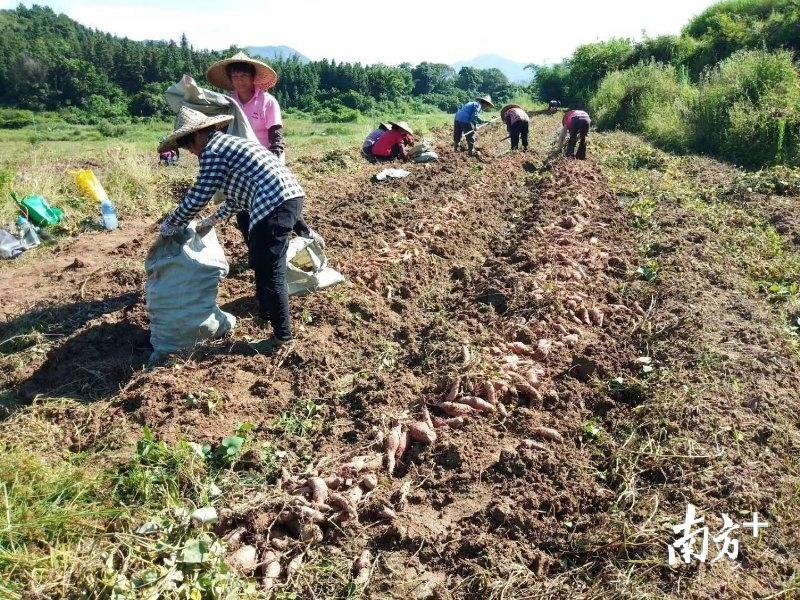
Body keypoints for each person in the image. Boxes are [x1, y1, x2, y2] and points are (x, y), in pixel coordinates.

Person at [158, 107, 309, 348]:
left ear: (198, 136)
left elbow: (199, 195)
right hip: (286, 196)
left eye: (189, 146)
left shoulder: (213, 151)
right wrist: (210, 222)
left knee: (271, 269)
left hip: (274, 201)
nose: (191, 152)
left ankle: (283, 337)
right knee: (261, 261)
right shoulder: (228, 145)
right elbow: (237, 197)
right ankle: (266, 311)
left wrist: (172, 223)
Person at [206, 51, 322, 247]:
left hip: (267, 158)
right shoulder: (228, 105)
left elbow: (276, 137)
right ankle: (253, 247)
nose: (239, 80)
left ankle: (303, 231)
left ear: (253, 78)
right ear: (230, 79)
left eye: (244, 75)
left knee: (276, 201)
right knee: (242, 206)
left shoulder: (268, 102)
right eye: (235, 76)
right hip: (240, 162)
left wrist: (272, 163)